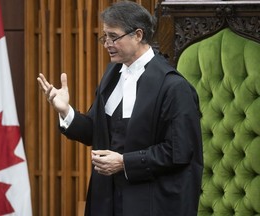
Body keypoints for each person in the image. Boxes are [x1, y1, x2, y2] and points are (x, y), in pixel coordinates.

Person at [37, 1, 203, 216]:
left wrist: (125, 162)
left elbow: (178, 152)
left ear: (138, 35)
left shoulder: (173, 86)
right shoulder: (113, 75)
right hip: (108, 197)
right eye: (104, 37)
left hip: (151, 201)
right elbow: (96, 132)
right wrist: (66, 111)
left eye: (113, 36)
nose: (107, 43)